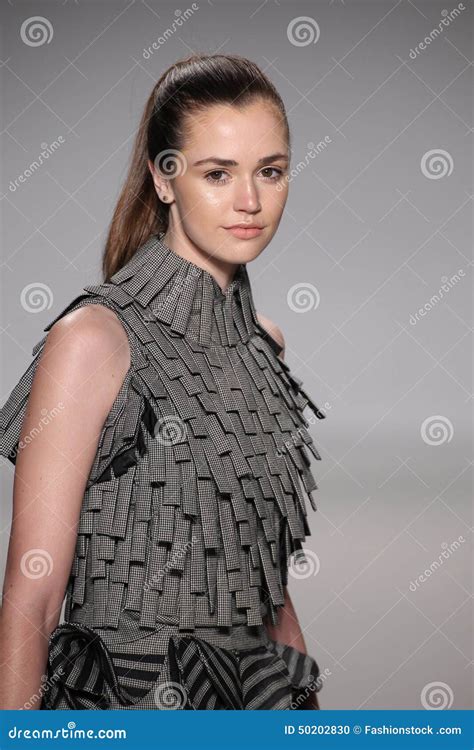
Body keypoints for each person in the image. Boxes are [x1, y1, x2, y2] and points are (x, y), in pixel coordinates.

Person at [0, 53, 326, 711]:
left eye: (271, 171)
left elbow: (264, 587)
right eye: (217, 173)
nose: (250, 201)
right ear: (164, 178)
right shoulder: (91, 341)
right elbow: (31, 591)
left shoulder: (267, 344)